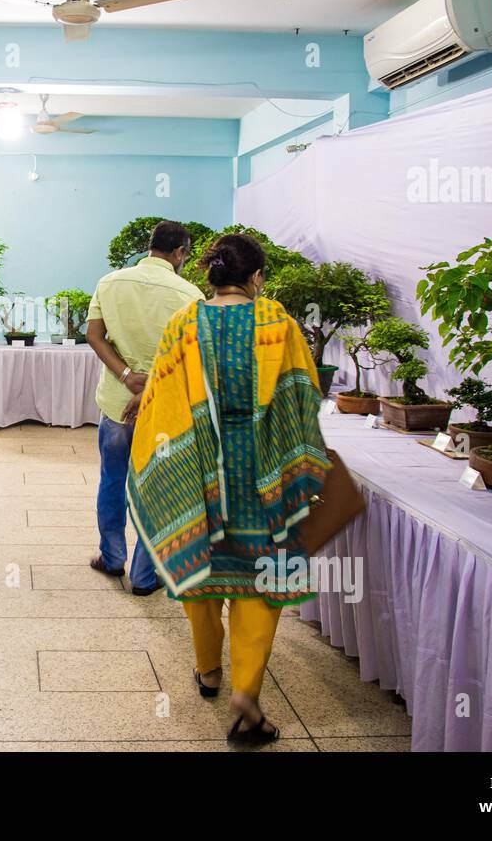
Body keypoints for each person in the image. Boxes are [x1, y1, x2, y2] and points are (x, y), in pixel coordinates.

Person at [126, 233, 330, 744]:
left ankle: (208, 671)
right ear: (256, 277)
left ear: (210, 276)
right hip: (263, 473)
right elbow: (305, 392)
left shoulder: (186, 323)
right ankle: (247, 693)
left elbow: (163, 398)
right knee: (262, 577)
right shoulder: (278, 323)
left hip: (200, 472)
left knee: (204, 574)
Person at [85, 220, 204, 596]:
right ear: (181, 252)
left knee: (112, 479)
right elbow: (191, 358)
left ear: (149, 246)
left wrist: (125, 376)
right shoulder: (190, 294)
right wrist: (152, 384)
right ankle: (144, 576)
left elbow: (93, 335)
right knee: (157, 488)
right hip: (165, 408)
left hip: (118, 403)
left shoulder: (110, 282)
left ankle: (112, 556)